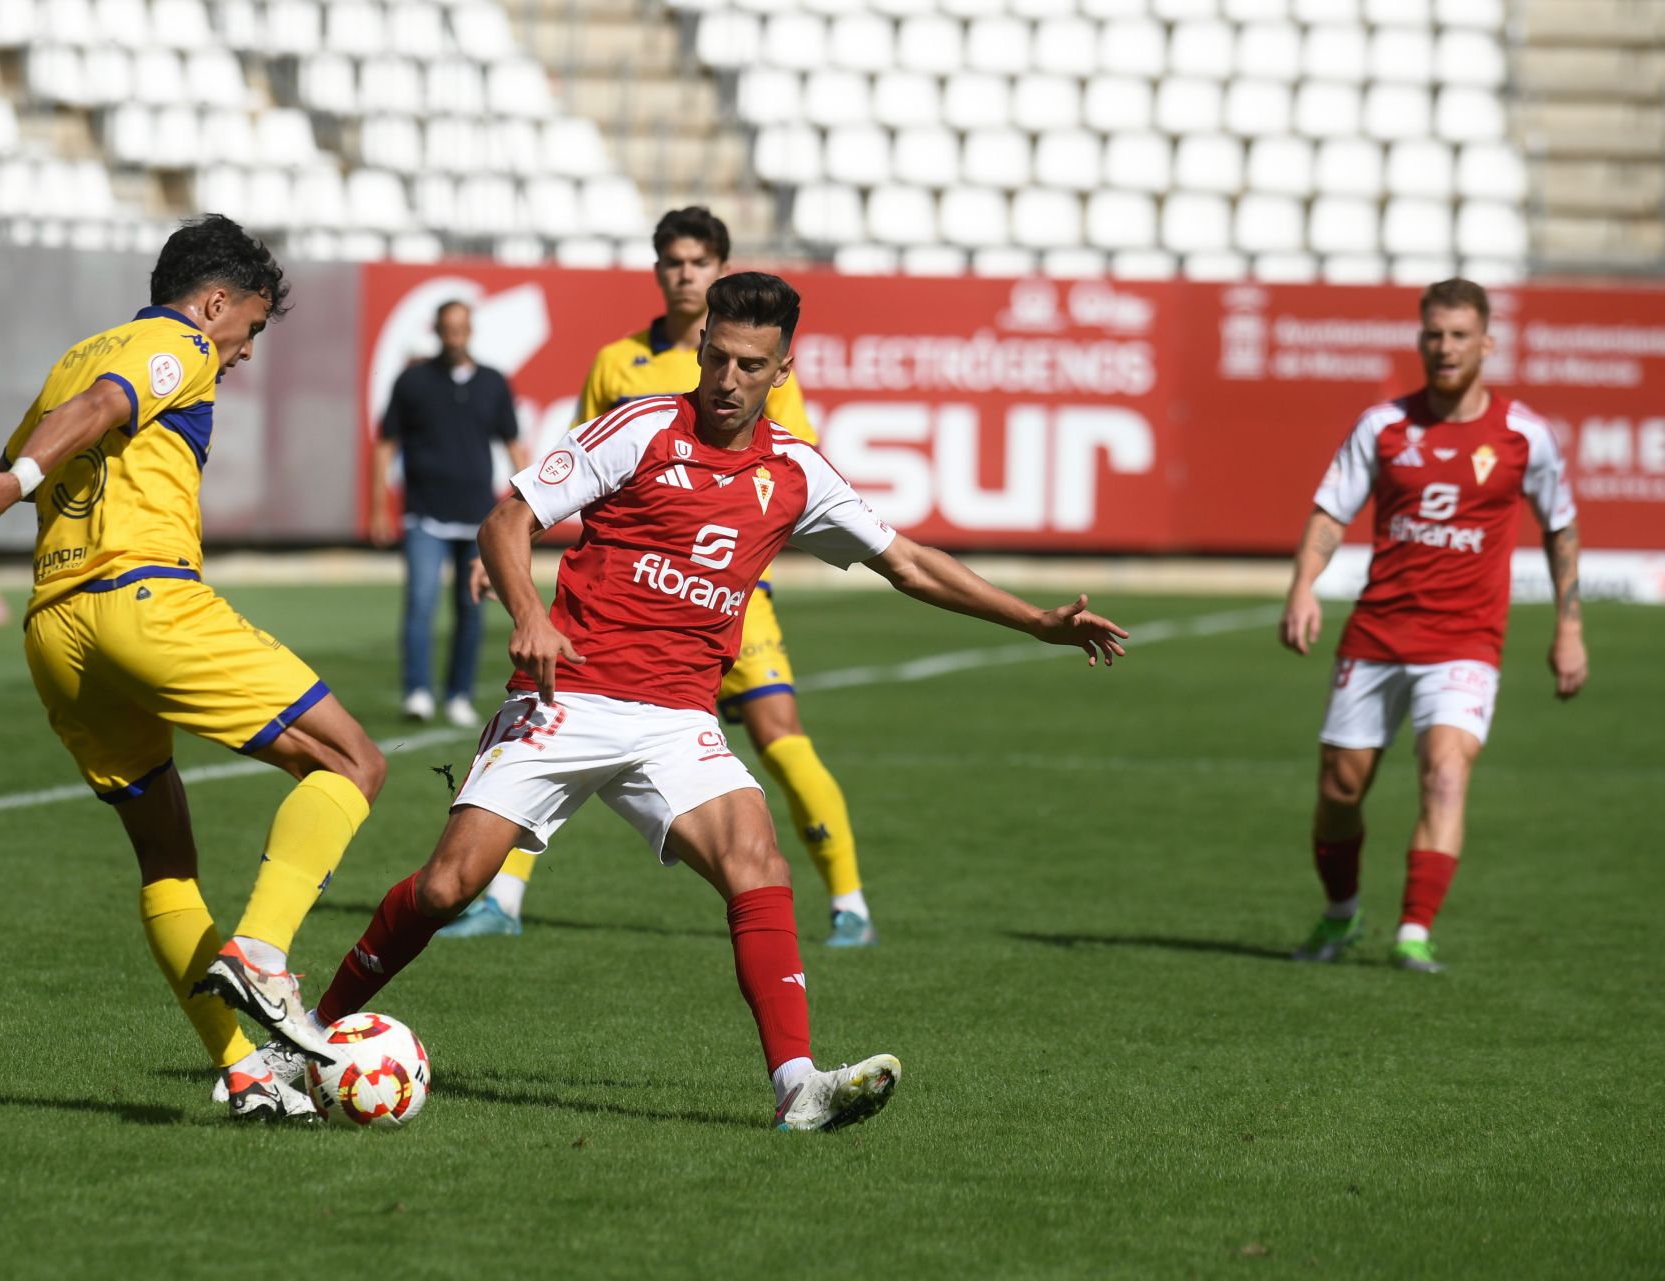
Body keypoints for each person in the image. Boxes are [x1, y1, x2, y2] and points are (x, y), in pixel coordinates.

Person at [260, 273, 1127, 1130]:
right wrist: (530, 614)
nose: (726, 379)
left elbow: (906, 561)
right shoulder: (642, 428)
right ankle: (295, 1043)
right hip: (570, 694)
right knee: (449, 887)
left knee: (758, 857)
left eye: (750, 365)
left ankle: (798, 1086)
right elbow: (508, 521)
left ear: (780, 370)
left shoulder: (795, 472)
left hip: (678, 717)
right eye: (715, 357)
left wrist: (1034, 621)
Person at [0, 215, 387, 1120]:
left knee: (166, 859)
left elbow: (58, 424)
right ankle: (261, 950)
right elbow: (103, 410)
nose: (243, 354)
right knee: (353, 762)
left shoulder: (76, 353)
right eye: (250, 330)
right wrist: (21, 482)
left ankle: (244, 1071)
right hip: (140, 599)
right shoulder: (176, 340)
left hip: (54, 629)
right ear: (215, 302)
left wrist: (14, 479)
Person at [444, 207, 882, 948]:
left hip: (731, 602)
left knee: (779, 735)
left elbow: (786, 481)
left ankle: (849, 902)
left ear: (721, 272)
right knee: (567, 723)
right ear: (659, 272)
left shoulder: (764, 363)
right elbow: (574, 484)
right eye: (673, 262)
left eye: (699, 262)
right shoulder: (620, 363)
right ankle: (503, 897)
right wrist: (516, 569)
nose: (685, 274)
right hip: (628, 602)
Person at [1280, 278, 1586, 974]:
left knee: (1445, 774)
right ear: (1420, 338)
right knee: (1339, 790)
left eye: (1458, 335)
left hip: (1466, 640)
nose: (1444, 348)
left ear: (1487, 341)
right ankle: (1341, 914)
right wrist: (1302, 586)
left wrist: (1570, 627)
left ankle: (1414, 931)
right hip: (1379, 632)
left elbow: (1561, 527)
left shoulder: (1523, 435)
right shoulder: (1383, 425)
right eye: (1433, 334)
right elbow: (1331, 511)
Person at [370, 299, 529, 729]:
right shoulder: (413, 381)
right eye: (447, 328)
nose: (454, 336)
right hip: (425, 513)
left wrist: (533, 505)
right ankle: (418, 691)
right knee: (420, 604)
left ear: (470, 331)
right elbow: (386, 443)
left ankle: (458, 693)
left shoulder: (493, 382)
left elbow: (513, 444)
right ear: (437, 330)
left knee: (471, 609)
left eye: (461, 328)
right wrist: (378, 506)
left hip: (477, 517)